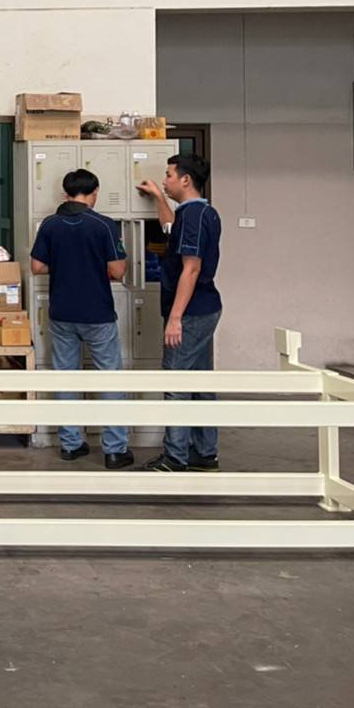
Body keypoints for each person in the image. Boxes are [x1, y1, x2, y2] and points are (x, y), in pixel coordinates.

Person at [29, 168, 134, 469]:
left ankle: (71, 445)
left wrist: (65, 266)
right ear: (95, 192)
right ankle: (114, 451)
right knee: (109, 379)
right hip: (97, 314)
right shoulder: (103, 225)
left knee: (66, 377)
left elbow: (37, 267)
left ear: (66, 193)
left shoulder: (50, 224)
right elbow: (118, 271)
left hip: (62, 314)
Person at [136, 153, 223, 472]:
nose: (165, 180)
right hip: (203, 308)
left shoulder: (196, 216)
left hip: (191, 312)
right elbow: (170, 228)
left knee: (176, 382)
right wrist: (159, 199)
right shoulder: (196, 213)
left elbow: (191, 268)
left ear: (185, 180)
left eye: (169, 175)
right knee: (199, 383)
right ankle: (204, 453)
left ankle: (175, 457)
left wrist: (175, 319)